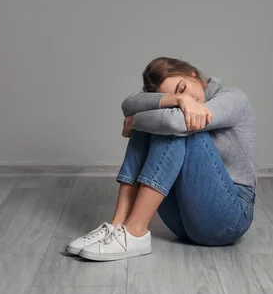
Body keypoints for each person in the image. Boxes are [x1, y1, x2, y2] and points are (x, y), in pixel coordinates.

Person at [66, 56, 259, 261]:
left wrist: (134, 121)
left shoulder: (234, 98)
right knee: (156, 119)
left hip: (230, 218)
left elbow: (175, 123)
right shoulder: (180, 100)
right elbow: (129, 103)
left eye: (183, 89)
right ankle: (117, 225)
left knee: (173, 125)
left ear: (193, 73)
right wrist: (178, 100)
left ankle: (135, 232)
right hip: (184, 223)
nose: (189, 99)